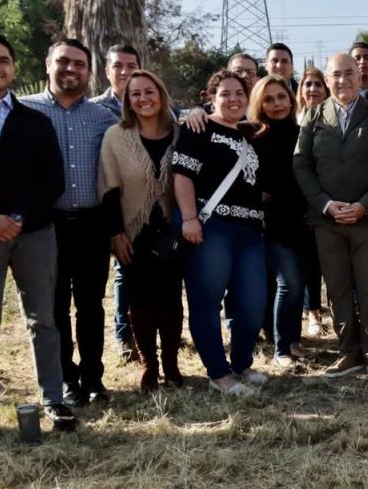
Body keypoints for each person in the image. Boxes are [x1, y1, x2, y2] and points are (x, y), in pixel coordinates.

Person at [0, 31, 78, 447]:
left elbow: (52, 180)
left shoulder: (34, 120)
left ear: (14, 68)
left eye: (4, 60)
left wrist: (18, 218)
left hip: (34, 233)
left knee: (44, 320)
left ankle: (54, 398)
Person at [23, 39, 119, 406]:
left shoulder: (103, 118)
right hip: (46, 225)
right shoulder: (25, 111)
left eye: (79, 64)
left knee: (91, 304)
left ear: (89, 72)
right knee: (55, 306)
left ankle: (94, 378)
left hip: (92, 224)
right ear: (48, 64)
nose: (71, 69)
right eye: (63, 61)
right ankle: (65, 379)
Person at [295, 54, 368, 377]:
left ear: (360, 75)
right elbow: (302, 165)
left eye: (349, 73)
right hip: (328, 222)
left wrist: (365, 204)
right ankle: (347, 352)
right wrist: (325, 204)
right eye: (336, 75)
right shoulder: (313, 117)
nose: (343, 81)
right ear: (327, 80)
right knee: (338, 289)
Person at [173, 69, 268, 396]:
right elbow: (182, 175)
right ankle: (218, 373)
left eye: (239, 93)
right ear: (210, 98)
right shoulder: (198, 127)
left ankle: (241, 363)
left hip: (251, 232)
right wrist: (189, 218)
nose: (234, 99)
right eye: (225, 93)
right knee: (206, 302)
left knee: (254, 302)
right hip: (214, 228)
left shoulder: (250, 134)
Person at [98, 69, 183, 391]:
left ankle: (172, 365)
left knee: (173, 301)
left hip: (172, 231)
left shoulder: (181, 132)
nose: (144, 98)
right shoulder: (116, 137)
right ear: (127, 100)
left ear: (161, 95)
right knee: (140, 303)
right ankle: (150, 365)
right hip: (133, 231)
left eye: (150, 92)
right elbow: (108, 190)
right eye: (136, 94)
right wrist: (116, 233)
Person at [248, 75, 307, 368]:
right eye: (268, 99)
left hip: (304, 221)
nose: (276, 104)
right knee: (289, 283)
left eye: (281, 97)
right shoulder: (253, 135)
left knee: (300, 283)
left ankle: (293, 341)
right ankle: (281, 348)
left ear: (291, 99)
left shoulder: (304, 132)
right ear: (259, 104)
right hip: (272, 225)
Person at [91, 43, 142, 363]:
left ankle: (157, 331)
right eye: (118, 66)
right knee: (123, 272)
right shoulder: (95, 111)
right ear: (106, 70)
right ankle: (124, 336)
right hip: (112, 206)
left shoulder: (153, 103)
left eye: (130, 65)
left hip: (150, 207)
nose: (124, 72)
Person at [298, 67, 330, 336]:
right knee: (309, 264)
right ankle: (313, 314)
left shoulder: (334, 120)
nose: (313, 89)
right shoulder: (294, 121)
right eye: (307, 84)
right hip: (301, 204)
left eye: (318, 84)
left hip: (331, 201)